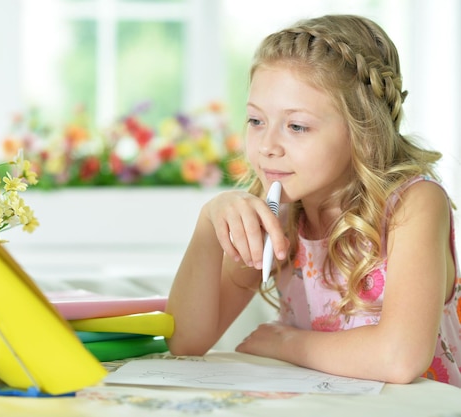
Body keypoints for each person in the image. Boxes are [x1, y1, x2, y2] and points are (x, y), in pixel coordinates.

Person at [165, 14, 460, 387]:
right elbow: (185, 340)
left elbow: (400, 357)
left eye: (297, 126)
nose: (268, 146)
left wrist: (289, 343)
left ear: (363, 131)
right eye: (256, 121)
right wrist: (209, 225)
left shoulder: (414, 203)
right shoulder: (278, 213)